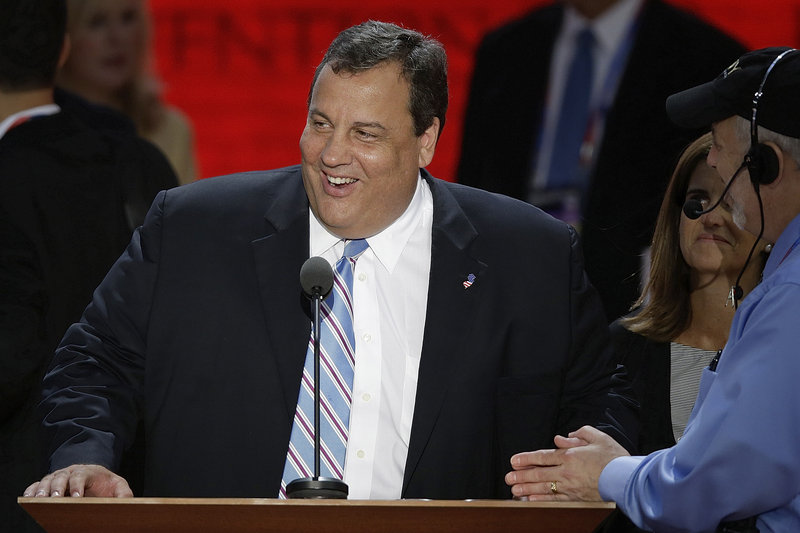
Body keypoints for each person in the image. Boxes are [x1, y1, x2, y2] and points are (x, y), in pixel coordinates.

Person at [24, 20, 637, 502]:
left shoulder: (529, 256)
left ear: (426, 140)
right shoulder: (191, 230)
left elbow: (600, 393)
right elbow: (94, 360)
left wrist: (594, 459)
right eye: (320, 123)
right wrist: (86, 454)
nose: (331, 154)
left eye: (366, 134)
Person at [504, 47, 800, 532]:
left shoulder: (791, 293)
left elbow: (712, 484)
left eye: (720, 145)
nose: (713, 160)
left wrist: (608, 474)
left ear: (766, 165)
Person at [0, 1, 177, 531]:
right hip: (132, 481)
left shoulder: (7, 173)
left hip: (21, 489)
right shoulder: (142, 160)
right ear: (64, 50)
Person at [457, 0, 745, 321]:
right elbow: (470, 183)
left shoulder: (705, 57)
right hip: (507, 283)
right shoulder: (506, 47)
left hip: (632, 295)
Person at [597, 133, 768, 532]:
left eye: (731, 202)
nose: (710, 216)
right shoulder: (621, 347)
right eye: (698, 200)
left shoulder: (782, 350)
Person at [57, 0, 198, 184]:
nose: (117, 37)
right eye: (96, 22)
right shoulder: (32, 130)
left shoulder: (171, 129)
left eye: (128, 18)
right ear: (65, 38)